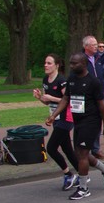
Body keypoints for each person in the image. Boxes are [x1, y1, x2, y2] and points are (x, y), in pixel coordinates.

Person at [45, 53, 104, 200]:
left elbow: (102, 105)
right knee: (80, 153)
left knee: (82, 154)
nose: (71, 66)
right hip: (78, 121)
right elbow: (65, 99)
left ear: (84, 64)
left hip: (91, 121)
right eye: (71, 63)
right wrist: (54, 115)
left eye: (75, 63)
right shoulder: (71, 79)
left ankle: (83, 188)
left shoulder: (93, 82)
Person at [33, 53, 79, 190]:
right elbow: (47, 102)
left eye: (49, 63)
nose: (45, 65)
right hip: (55, 118)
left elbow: (68, 100)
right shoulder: (45, 80)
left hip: (66, 117)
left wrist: (51, 98)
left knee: (51, 148)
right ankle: (83, 174)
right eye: (45, 63)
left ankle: (68, 174)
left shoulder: (62, 80)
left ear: (57, 65)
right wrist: (40, 98)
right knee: (67, 149)